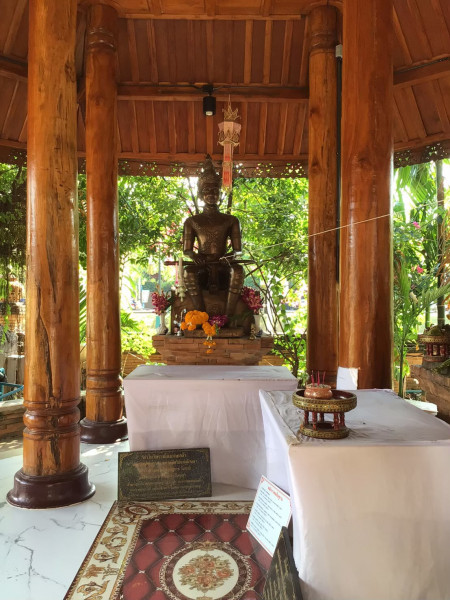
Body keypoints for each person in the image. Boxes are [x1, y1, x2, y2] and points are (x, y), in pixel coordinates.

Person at [182, 156, 244, 316]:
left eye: (215, 191)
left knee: (238, 271)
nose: (211, 194)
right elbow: (187, 250)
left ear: (220, 193)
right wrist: (195, 256)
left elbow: (238, 250)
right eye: (207, 191)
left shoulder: (231, 220)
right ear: (200, 195)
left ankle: (228, 317)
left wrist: (230, 256)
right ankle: (201, 316)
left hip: (223, 263)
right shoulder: (192, 221)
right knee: (189, 273)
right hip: (203, 265)